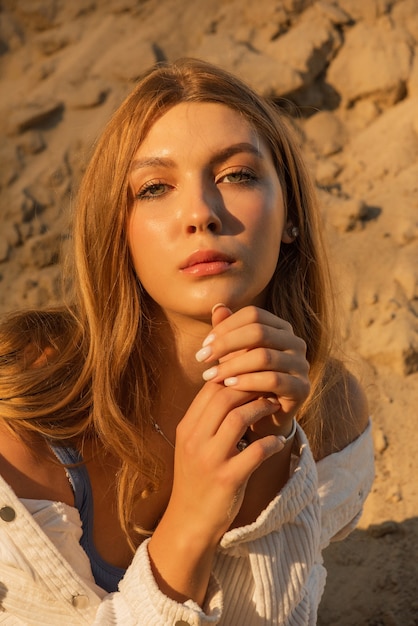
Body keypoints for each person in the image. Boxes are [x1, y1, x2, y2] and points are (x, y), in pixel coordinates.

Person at [0, 58, 374, 625]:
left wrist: (270, 454)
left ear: (291, 214)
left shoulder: (329, 416)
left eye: (237, 175)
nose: (200, 213)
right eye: (155, 187)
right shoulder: (27, 405)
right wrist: (194, 513)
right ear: (116, 233)